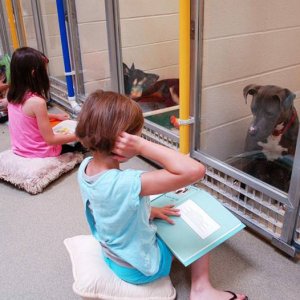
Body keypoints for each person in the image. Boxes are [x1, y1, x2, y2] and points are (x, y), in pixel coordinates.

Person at [76, 90, 248, 300]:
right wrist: (141, 147)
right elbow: (195, 171)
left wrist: (150, 211)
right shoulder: (128, 183)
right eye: (137, 136)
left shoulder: (85, 167)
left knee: (165, 207)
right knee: (197, 220)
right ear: (123, 142)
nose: (139, 139)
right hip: (140, 268)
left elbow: (109, 206)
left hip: (113, 257)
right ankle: (202, 289)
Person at [6, 47, 78, 158]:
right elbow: (50, 140)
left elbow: (28, 116)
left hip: (21, 149)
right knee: (79, 144)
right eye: (44, 71)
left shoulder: (12, 95)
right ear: (34, 73)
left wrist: (55, 116)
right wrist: (79, 136)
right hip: (40, 153)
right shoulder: (37, 102)